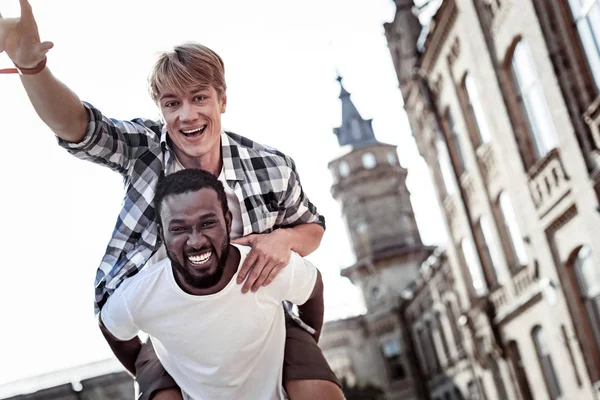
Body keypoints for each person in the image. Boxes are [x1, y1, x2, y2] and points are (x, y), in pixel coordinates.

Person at [0, 1, 344, 399]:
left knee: (318, 391)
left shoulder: (270, 166)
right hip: (169, 327)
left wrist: (284, 240)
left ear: (222, 100)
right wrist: (32, 68)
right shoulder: (143, 151)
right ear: (160, 109)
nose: (187, 115)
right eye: (172, 103)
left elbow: (312, 227)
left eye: (199, 98)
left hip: (258, 314)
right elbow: (79, 126)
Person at [101, 169, 325, 400]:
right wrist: (151, 375)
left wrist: (306, 344)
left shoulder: (265, 265)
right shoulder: (141, 294)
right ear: (162, 233)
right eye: (178, 229)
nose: (196, 241)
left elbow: (313, 287)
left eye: (207, 223)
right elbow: (111, 328)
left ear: (227, 221)